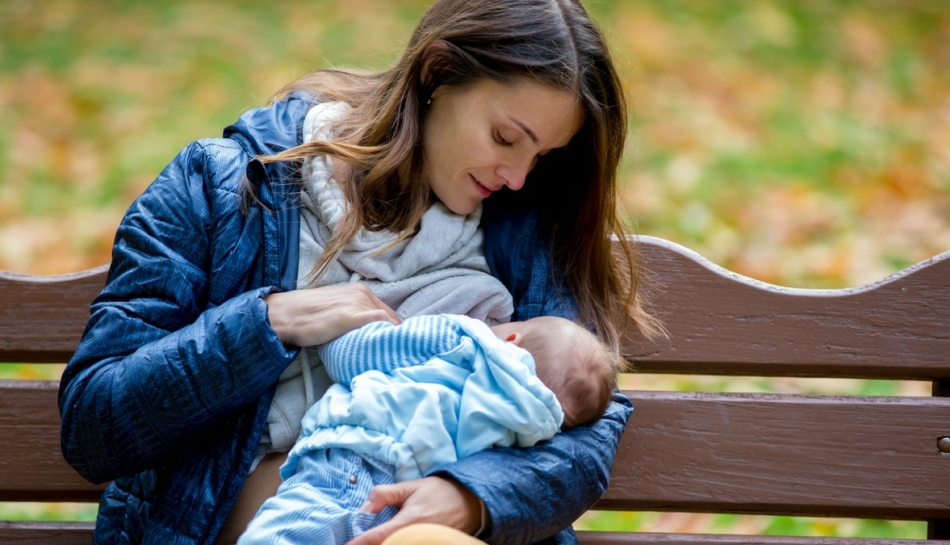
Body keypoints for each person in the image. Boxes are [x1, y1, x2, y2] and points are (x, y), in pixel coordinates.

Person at [57, 1, 662, 544]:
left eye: (543, 157)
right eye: (506, 137)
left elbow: (586, 427)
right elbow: (96, 424)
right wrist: (269, 322)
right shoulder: (220, 190)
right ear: (436, 72)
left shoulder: (526, 229)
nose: (518, 177)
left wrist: (469, 497)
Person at [238, 313, 617, 544]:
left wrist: (330, 333)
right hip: (408, 507)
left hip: (349, 468)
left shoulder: (464, 340)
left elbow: (349, 357)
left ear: (513, 339)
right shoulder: (532, 433)